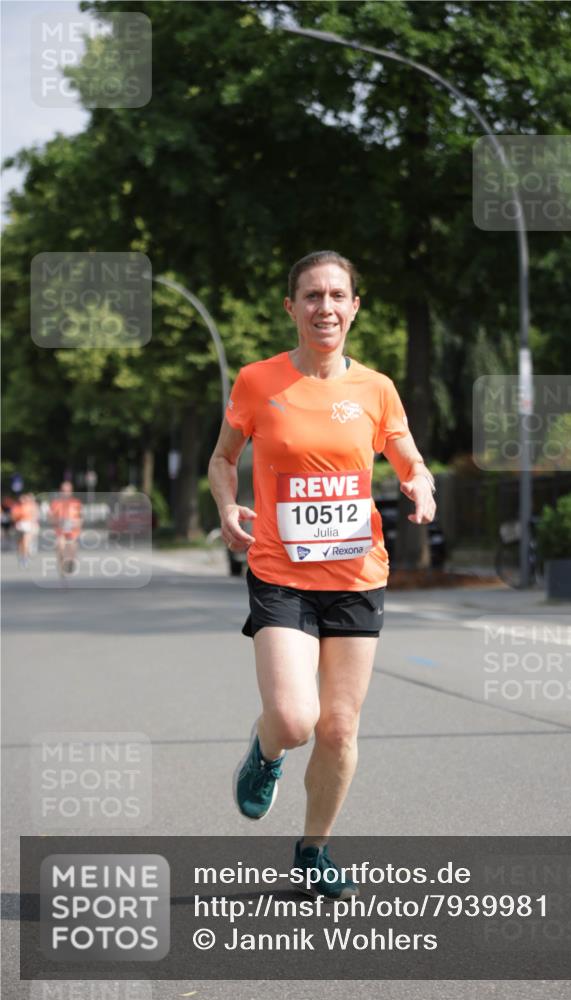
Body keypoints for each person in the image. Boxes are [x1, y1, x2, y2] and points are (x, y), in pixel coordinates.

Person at [208, 251, 436, 900]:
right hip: (280, 572)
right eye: (311, 296)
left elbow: (409, 458)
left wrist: (418, 484)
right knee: (293, 716)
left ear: (355, 307)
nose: (325, 307)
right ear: (291, 308)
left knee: (338, 727)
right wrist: (227, 505)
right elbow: (222, 459)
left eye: (337, 295)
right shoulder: (257, 382)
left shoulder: (377, 389)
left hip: (358, 575)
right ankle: (266, 751)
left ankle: (313, 848)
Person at [49, 482, 83, 576]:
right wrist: (58, 521)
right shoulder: (55, 503)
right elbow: (50, 518)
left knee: (72, 549)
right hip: (61, 531)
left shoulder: (76, 503)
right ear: (60, 491)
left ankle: (71, 562)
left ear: (71, 492)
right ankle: (62, 568)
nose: (66, 493)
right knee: (59, 546)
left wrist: (76, 523)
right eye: (64, 491)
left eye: (68, 491)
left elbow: (80, 519)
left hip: (73, 531)